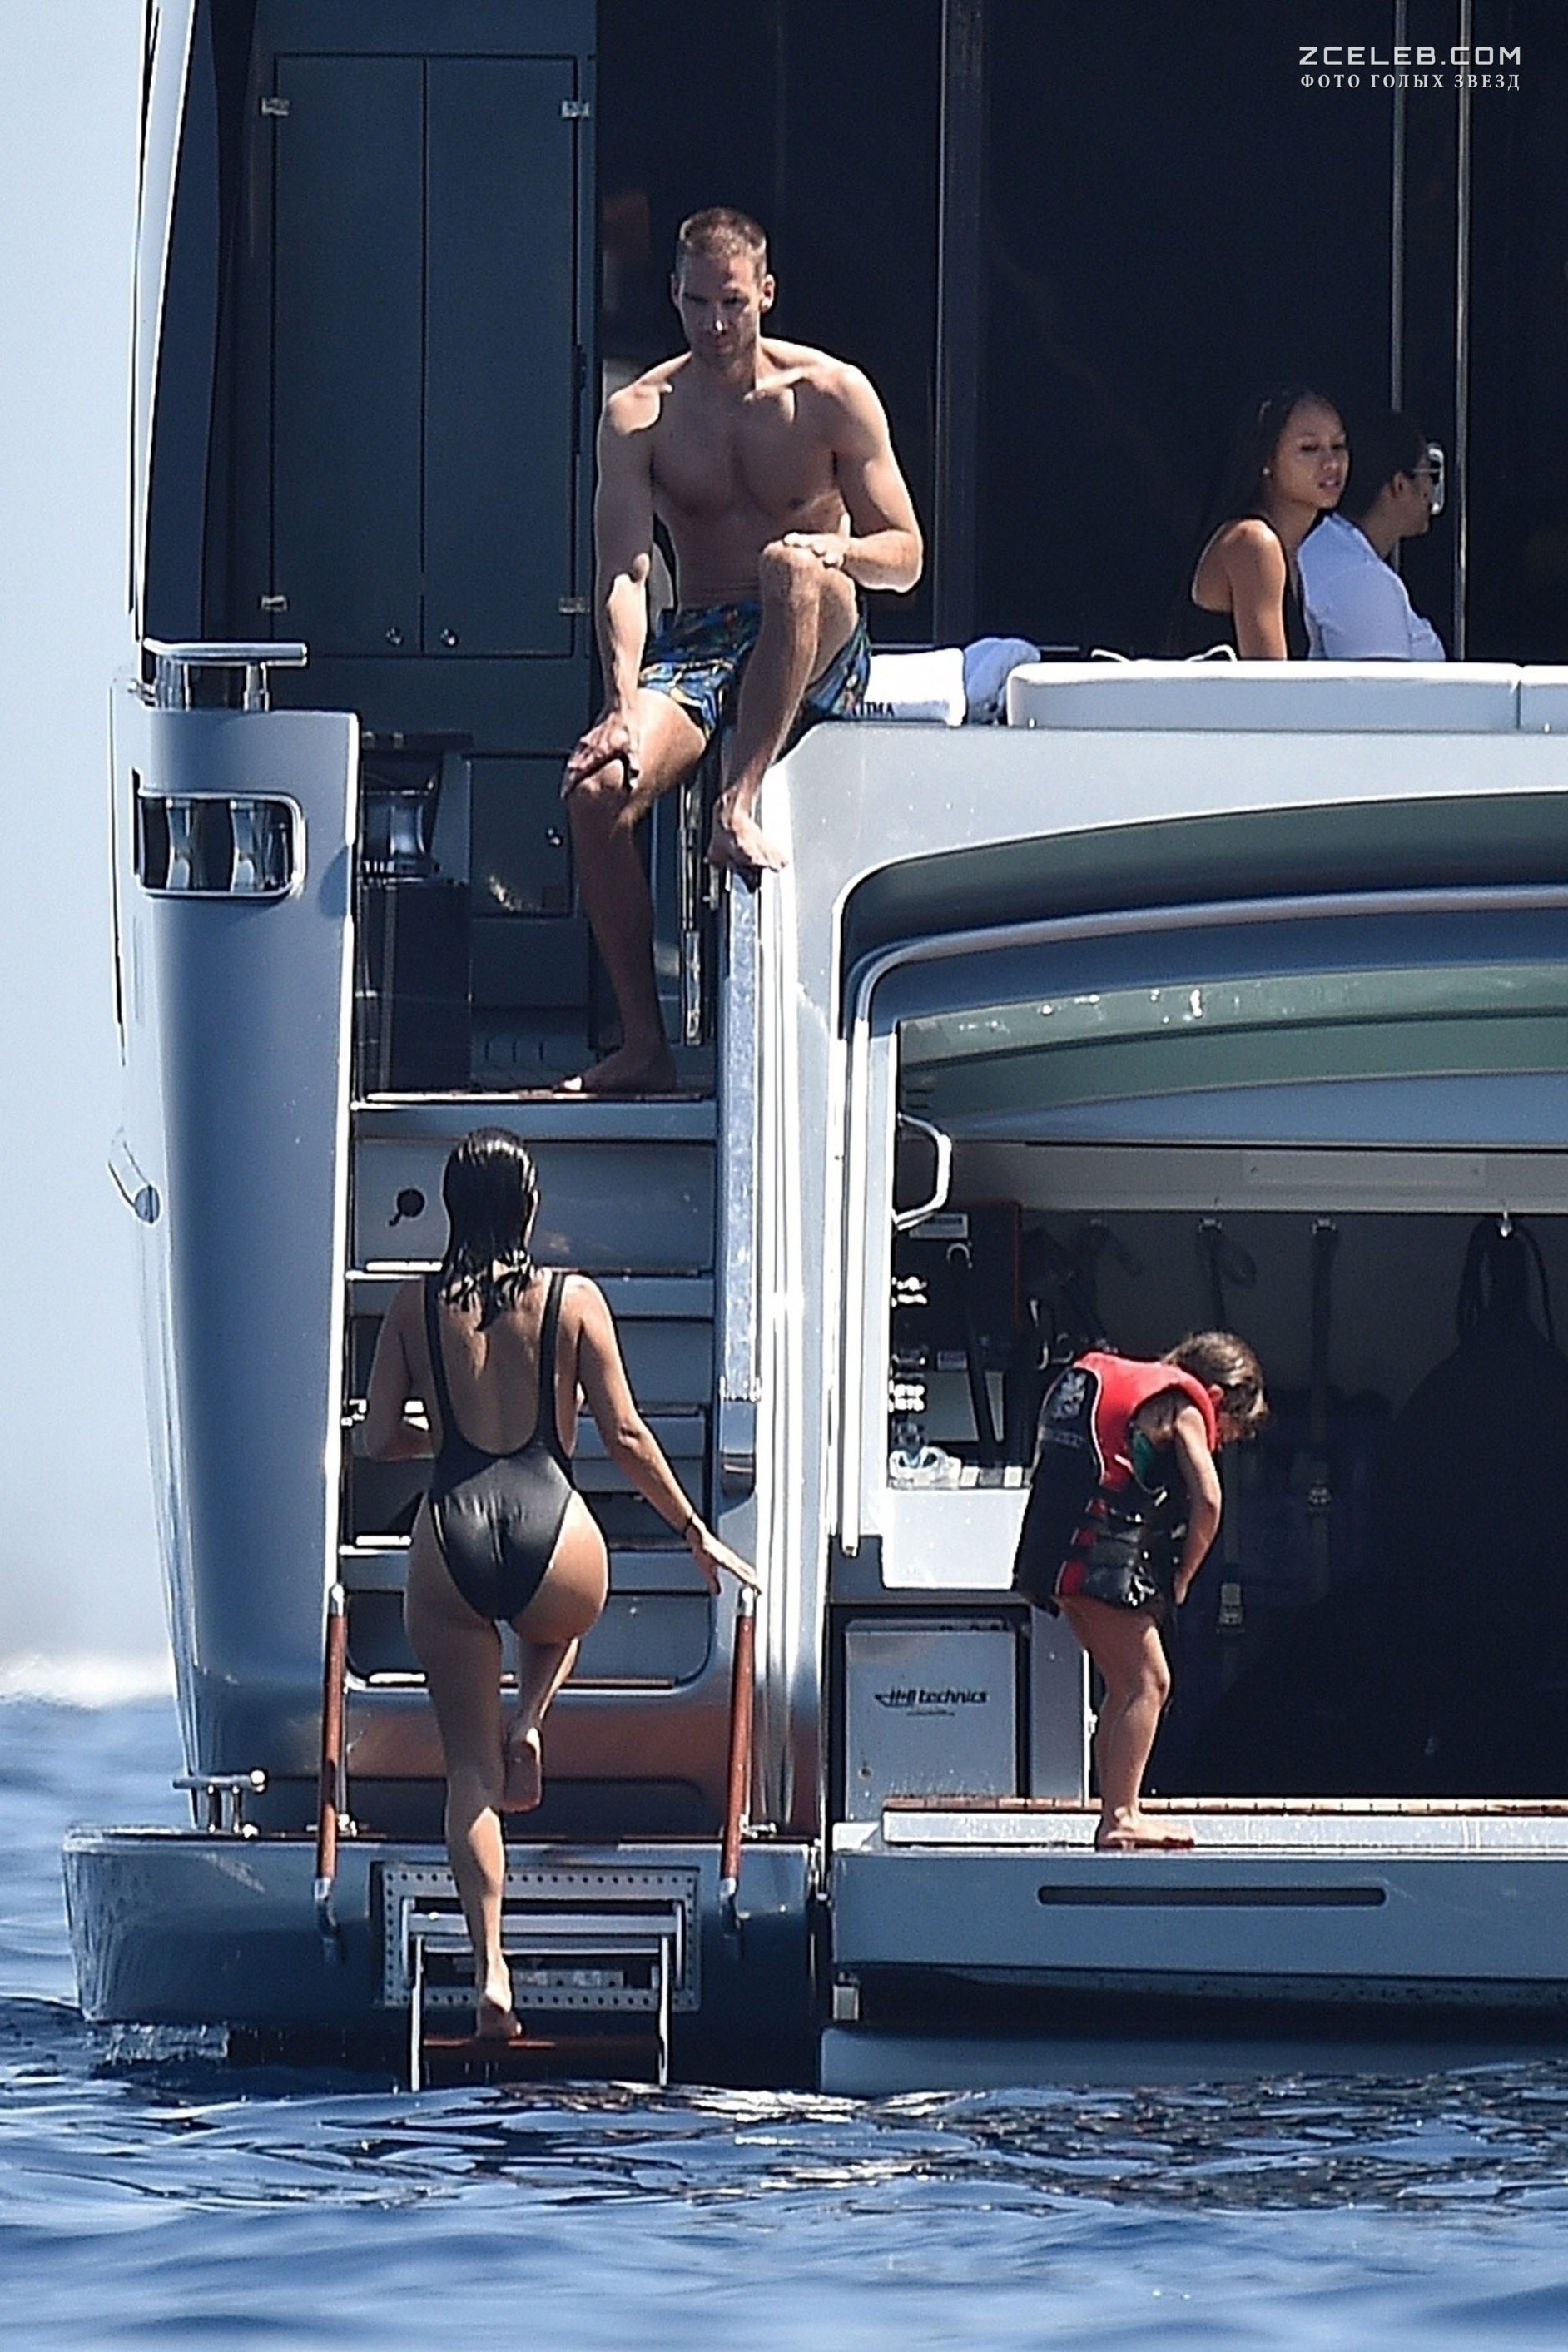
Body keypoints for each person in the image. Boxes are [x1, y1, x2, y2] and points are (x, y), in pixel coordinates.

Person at [362, 1127, 757, 2040]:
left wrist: (445, 1440)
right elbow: (624, 1434)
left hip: (450, 1529)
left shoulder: (412, 1305)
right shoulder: (574, 1300)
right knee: (563, 1613)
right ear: (531, 1207)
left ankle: (492, 1973)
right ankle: (533, 1716)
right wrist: (692, 1532)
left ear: (452, 1208)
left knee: (468, 1776)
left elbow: (377, 1439)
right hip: (553, 1528)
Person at [563, 206, 924, 1094]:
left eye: (731, 302)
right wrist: (620, 704)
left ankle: (737, 802)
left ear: (765, 292)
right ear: (673, 297)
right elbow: (624, 573)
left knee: (787, 567)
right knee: (595, 792)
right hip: (705, 635)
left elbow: (906, 555)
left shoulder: (830, 394)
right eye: (698, 304)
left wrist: (830, 550)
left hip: (816, 619)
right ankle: (644, 1045)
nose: (716, 324)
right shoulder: (640, 414)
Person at [1012, 1332, 1268, 1850]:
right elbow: (1209, 1500)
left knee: (1123, 1685)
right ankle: (1122, 1816)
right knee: (1150, 1683)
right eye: (1231, 1431)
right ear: (1217, 1396)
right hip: (1097, 1557)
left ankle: (1114, 1808)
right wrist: (1184, 1577)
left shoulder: (1110, 1379)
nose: (1224, 1442)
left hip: (1051, 1553)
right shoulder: (1183, 1404)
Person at [1172, 386, 1348, 658]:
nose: (1332, 463)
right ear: (1267, 460)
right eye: (1309, 448)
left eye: (1338, 446)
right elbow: (1269, 680)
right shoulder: (1254, 542)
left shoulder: (1293, 549)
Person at [1299, 411, 1446, 660]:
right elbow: (1383, 685)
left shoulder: (1330, 547)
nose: (1432, 489)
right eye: (1428, 473)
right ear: (1399, 484)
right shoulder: (1360, 576)